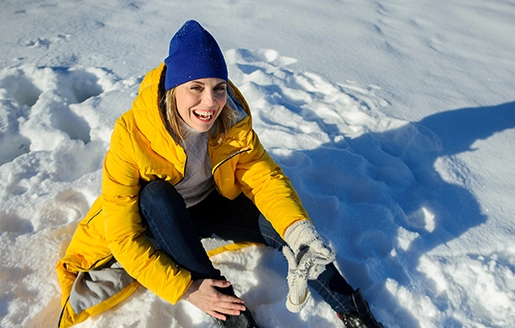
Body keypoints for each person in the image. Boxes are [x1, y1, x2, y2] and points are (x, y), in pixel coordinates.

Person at [56, 20, 384, 328]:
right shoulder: (132, 134)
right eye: (195, 88)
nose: (209, 102)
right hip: (157, 222)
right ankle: (232, 316)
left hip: (208, 205)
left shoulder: (231, 118)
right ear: (174, 89)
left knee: (289, 231)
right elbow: (123, 235)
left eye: (218, 88)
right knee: (156, 195)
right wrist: (187, 287)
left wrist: (298, 230)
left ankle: (353, 311)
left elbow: (263, 175)